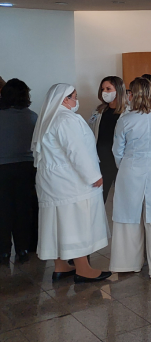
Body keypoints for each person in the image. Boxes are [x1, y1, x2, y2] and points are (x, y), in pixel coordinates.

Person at [31, 84, 111, 283]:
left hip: (53, 183)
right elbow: (77, 151)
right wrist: (93, 176)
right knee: (76, 223)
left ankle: (61, 266)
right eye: (74, 96)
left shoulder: (49, 118)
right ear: (65, 99)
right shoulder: (66, 119)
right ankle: (83, 269)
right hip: (71, 183)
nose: (76, 100)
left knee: (59, 223)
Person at [110, 77, 151, 279]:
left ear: (133, 95)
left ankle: (128, 262)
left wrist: (125, 165)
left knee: (129, 214)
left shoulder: (125, 120)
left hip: (131, 167)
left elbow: (117, 150)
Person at [0, 79, 38, 263]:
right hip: (26, 167)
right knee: (24, 209)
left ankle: (4, 251)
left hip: (2, 168)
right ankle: (23, 249)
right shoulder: (33, 117)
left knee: (3, 210)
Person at [88, 76, 128, 202]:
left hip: (120, 159)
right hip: (102, 159)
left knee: (124, 196)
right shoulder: (98, 111)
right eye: (103, 89)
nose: (105, 92)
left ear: (118, 90)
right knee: (99, 196)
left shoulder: (128, 112)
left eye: (108, 89)